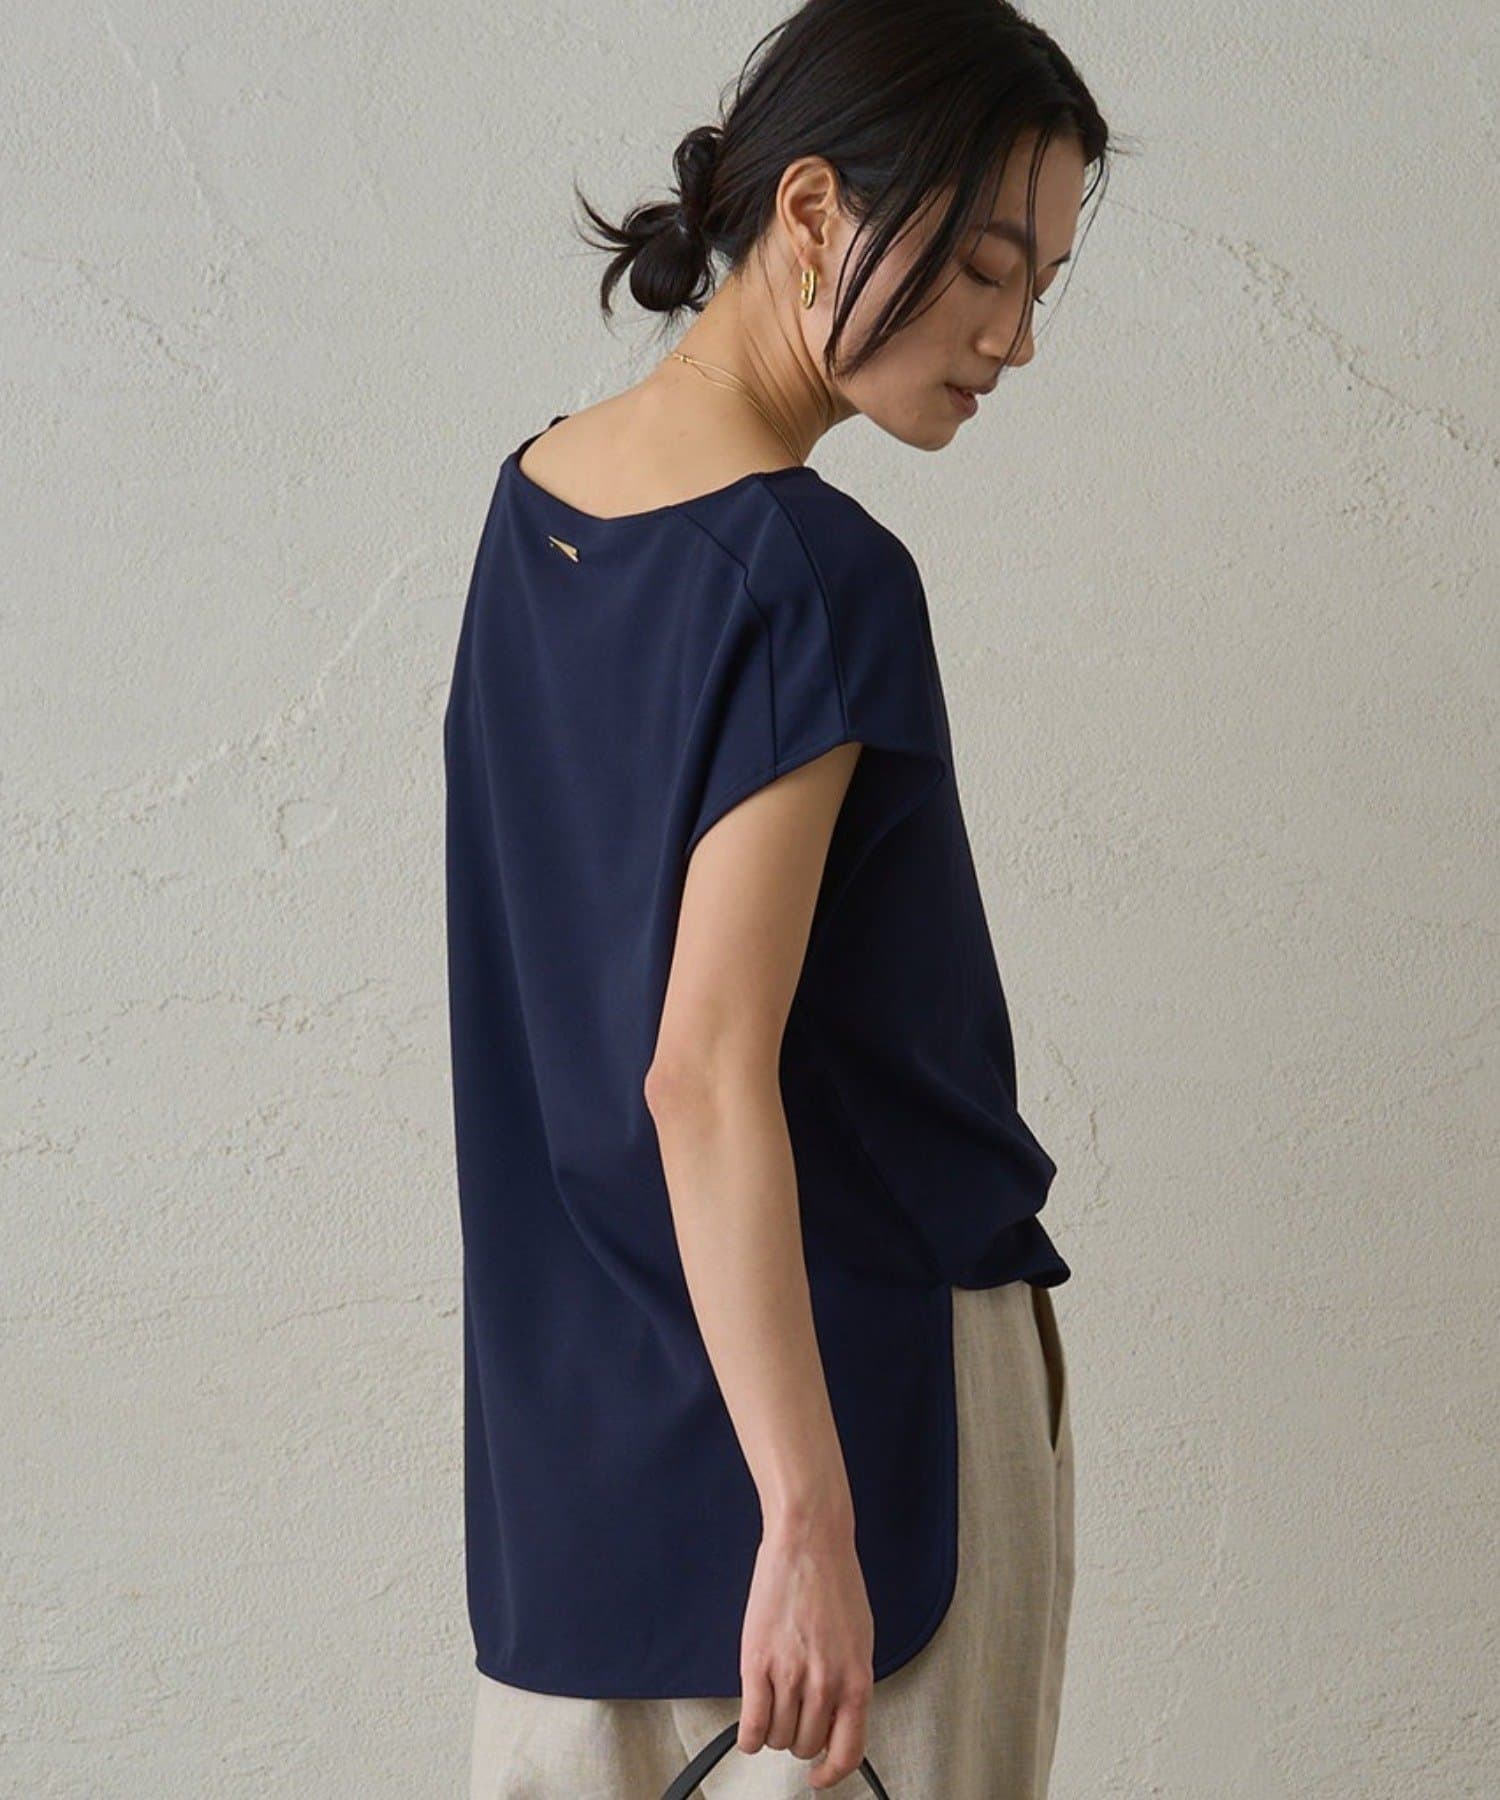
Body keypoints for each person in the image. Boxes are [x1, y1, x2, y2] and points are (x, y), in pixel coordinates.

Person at [445, 2, 1112, 1792]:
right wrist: (809, 1519)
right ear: (812, 211)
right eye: (988, 267)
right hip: (860, 1417)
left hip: (579, 1444)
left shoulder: (532, 513)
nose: (1016, 337)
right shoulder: (812, 574)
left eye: (1043, 284)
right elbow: (702, 1070)